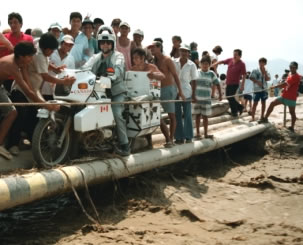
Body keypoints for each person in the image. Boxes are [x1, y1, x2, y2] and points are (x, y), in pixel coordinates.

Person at [8, 34, 75, 154]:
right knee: (20, 115)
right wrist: (63, 81)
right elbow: (45, 76)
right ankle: (12, 144)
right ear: (46, 49)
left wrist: (55, 69)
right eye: (51, 50)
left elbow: (45, 64)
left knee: (33, 117)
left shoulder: (41, 51)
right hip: (22, 91)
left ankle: (32, 142)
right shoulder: (39, 55)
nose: (52, 52)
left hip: (33, 90)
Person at [0, 42, 58, 159]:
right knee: (12, 113)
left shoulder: (19, 60)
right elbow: (27, 91)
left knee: (13, 113)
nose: (32, 59)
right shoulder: (13, 66)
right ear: (22, 56)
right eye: (30, 56)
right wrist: (46, 105)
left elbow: (28, 83)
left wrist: (35, 95)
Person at [82, 26, 130, 156]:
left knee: (116, 114)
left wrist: (112, 77)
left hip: (116, 92)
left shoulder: (118, 56)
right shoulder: (96, 57)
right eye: (102, 42)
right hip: (98, 90)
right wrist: (77, 73)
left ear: (112, 43)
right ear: (99, 44)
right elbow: (85, 68)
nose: (105, 45)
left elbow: (118, 69)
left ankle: (125, 146)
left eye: (108, 42)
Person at [148, 41, 185, 148]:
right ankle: (168, 138)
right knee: (157, 116)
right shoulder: (152, 61)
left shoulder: (167, 60)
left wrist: (180, 91)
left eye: (153, 47)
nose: (151, 49)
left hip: (168, 89)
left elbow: (175, 76)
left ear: (159, 47)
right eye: (150, 48)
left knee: (171, 115)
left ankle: (171, 139)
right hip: (156, 89)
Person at [130, 47, 166, 148]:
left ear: (142, 58)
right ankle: (147, 143)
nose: (135, 60)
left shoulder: (151, 67)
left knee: (158, 119)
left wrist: (154, 75)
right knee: (141, 119)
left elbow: (163, 76)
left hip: (152, 96)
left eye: (136, 58)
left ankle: (168, 139)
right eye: (133, 58)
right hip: (138, 97)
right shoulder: (133, 69)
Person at [262, 62, 301, 132]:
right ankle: (265, 118)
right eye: (291, 67)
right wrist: (284, 89)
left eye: (294, 67)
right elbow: (287, 84)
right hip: (284, 95)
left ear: (296, 68)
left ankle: (292, 127)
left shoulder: (296, 76)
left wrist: (274, 86)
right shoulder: (290, 74)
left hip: (291, 97)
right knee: (272, 103)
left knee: (292, 112)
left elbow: (285, 84)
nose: (292, 68)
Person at [1, 12, 34, 92]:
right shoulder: (4, 37)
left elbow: (30, 55)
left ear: (21, 24)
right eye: (10, 23)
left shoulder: (28, 38)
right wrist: (8, 47)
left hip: (21, 76)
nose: (12, 25)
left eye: (15, 22)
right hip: (5, 77)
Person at [173, 44, 198, 144]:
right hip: (175, 92)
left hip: (187, 92)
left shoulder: (192, 65)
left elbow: (194, 81)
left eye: (185, 51)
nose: (183, 53)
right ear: (179, 51)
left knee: (187, 115)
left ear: (188, 53)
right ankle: (179, 137)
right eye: (182, 51)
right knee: (177, 115)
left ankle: (188, 136)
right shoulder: (174, 62)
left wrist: (194, 95)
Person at [192, 55, 222, 139]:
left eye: (207, 64)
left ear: (209, 65)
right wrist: (192, 96)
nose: (205, 65)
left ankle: (205, 133)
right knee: (197, 116)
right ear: (200, 64)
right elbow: (192, 84)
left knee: (205, 117)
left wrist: (220, 94)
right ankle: (197, 133)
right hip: (197, 99)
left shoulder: (211, 74)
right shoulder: (196, 72)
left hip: (206, 99)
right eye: (203, 63)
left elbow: (217, 84)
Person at [212, 49, 246, 117]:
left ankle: (235, 112)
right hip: (228, 82)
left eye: (236, 55)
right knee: (228, 97)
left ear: (240, 56)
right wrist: (215, 64)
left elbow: (244, 75)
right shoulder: (230, 60)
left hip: (235, 83)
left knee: (230, 97)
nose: (234, 56)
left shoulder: (242, 64)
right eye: (234, 54)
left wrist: (242, 85)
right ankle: (239, 108)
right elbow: (222, 61)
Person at [41, 34, 76, 100]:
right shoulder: (51, 52)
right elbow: (44, 66)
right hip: (46, 88)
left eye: (70, 45)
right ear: (61, 43)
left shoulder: (71, 58)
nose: (68, 46)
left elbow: (71, 73)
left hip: (61, 91)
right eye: (66, 44)